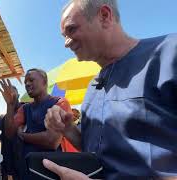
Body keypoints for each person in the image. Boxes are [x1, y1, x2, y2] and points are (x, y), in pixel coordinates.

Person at [44, 0, 177, 179]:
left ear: (104, 16)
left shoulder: (170, 52)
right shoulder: (92, 88)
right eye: (63, 35)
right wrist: (67, 129)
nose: (66, 43)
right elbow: (94, 147)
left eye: (71, 29)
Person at [0, 69, 74, 179]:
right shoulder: (25, 108)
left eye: (31, 80)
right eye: (25, 82)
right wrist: (10, 105)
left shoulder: (60, 103)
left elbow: (52, 141)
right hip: (27, 168)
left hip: (51, 170)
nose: (27, 84)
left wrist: (23, 136)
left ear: (44, 82)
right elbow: (9, 133)